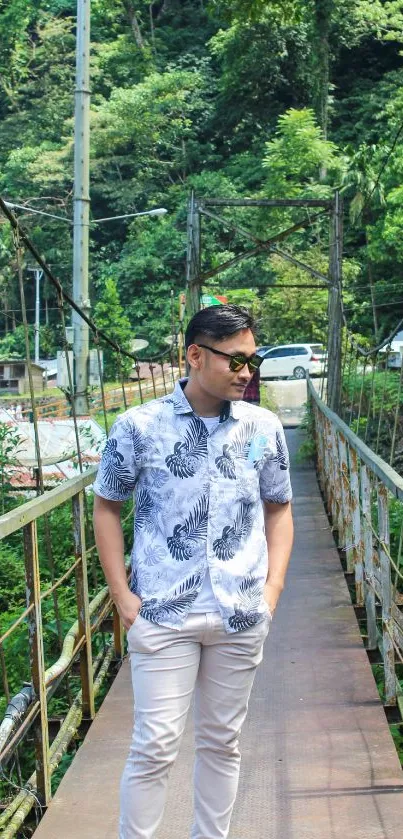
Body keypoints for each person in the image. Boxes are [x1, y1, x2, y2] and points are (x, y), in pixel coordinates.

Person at [93, 304, 294, 839]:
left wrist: (271, 591)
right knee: (154, 743)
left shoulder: (263, 427)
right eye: (235, 361)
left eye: (252, 361)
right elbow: (107, 505)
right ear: (195, 355)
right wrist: (122, 595)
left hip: (239, 610)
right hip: (162, 609)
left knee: (222, 742)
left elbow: (279, 507)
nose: (246, 373)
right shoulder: (139, 426)